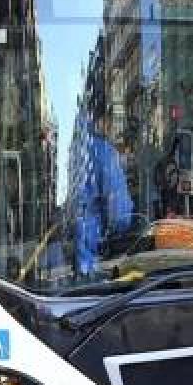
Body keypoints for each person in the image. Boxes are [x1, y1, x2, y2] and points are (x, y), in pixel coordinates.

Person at [71, 115, 134, 276]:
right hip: (96, 254)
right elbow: (121, 216)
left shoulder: (72, 150)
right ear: (100, 120)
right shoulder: (103, 151)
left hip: (72, 252)